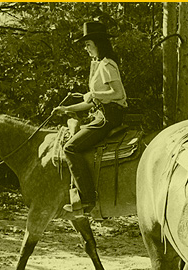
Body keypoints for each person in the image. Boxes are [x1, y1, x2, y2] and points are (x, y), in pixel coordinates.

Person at [53, 21, 127, 214]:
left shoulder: (106, 65)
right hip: (101, 113)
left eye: (88, 45)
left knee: (70, 148)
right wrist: (66, 108)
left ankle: (87, 199)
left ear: (99, 44)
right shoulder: (98, 65)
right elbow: (92, 102)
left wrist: (95, 95)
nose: (86, 49)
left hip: (108, 117)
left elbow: (118, 94)